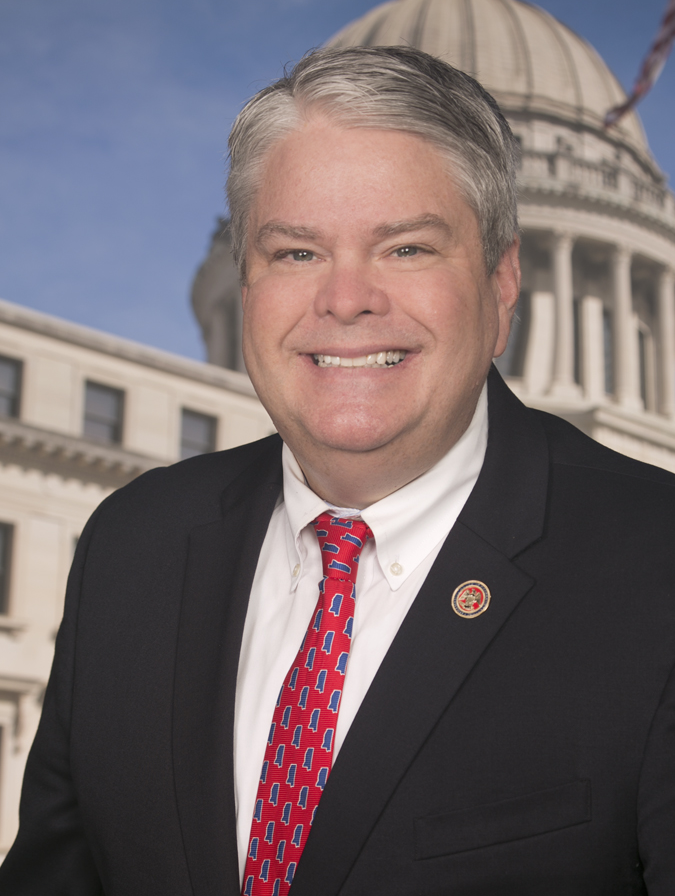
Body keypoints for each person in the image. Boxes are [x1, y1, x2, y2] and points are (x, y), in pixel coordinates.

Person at [1, 45, 674, 896]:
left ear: (504, 281)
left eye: (405, 249)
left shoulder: (655, 563)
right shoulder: (132, 546)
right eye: (296, 253)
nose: (346, 299)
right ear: (243, 284)